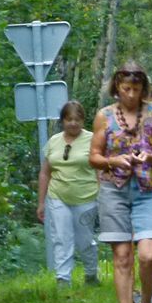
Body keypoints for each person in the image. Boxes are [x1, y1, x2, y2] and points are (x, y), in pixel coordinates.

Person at [89, 62, 152, 303]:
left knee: (147, 255)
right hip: (114, 190)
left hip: (148, 188)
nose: (131, 94)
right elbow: (94, 156)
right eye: (125, 89)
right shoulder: (104, 116)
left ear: (143, 89)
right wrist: (113, 160)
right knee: (122, 257)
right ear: (116, 88)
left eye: (136, 89)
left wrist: (149, 157)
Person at [36, 101, 99, 287]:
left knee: (85, 241)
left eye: (77, 119)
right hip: (58, 197)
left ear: (83, 120)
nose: (73, 123)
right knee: (61, 238)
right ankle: (63, 279)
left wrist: (104, 196)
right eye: (69, 119)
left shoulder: (93, 140)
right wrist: (41, 202)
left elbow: (100, 171)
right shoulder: (54, 142)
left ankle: (91, 274)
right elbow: (45, 173)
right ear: (63, 120)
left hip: (86, 197)